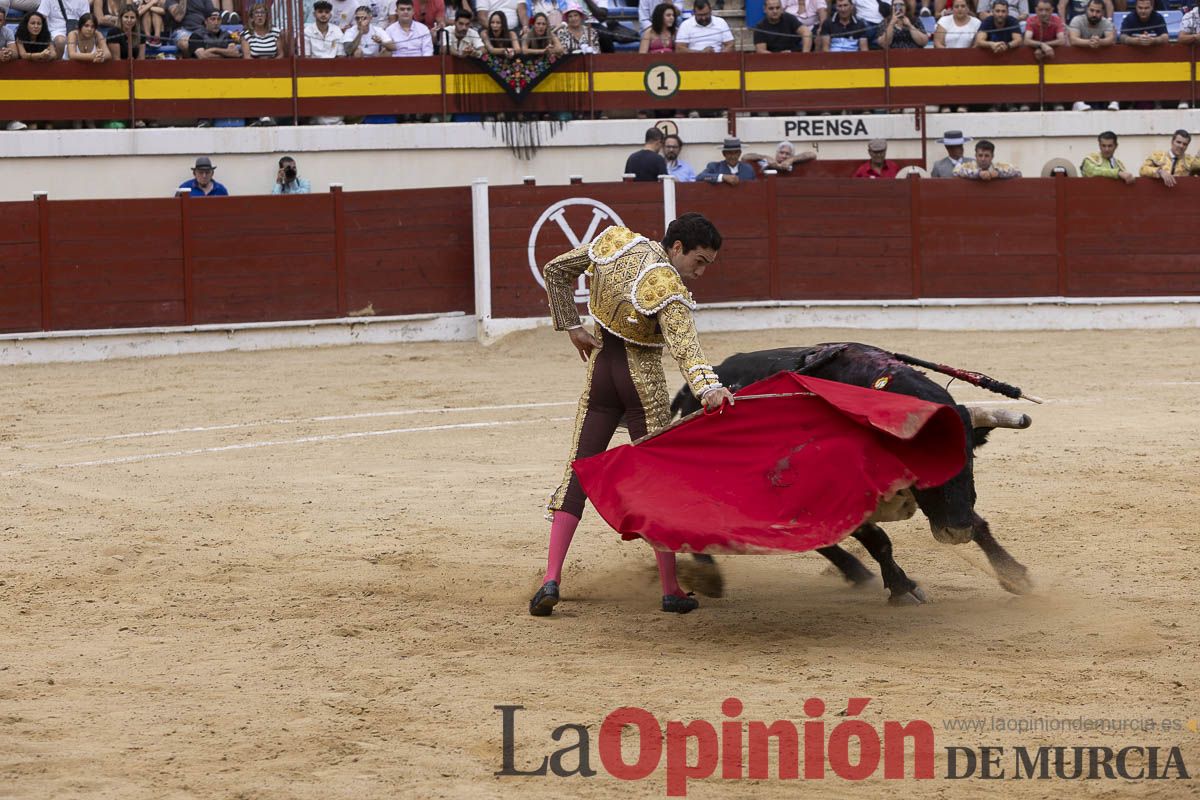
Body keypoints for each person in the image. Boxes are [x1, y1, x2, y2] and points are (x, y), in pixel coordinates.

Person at [530, 213, 734, 617]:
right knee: (658, 483)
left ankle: (550, 579)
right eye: (700, 260)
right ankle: (671, 589)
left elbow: (555, 271)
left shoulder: (615, 242)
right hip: (642, 384)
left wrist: (571, 326)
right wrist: (709, 389)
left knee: (577, 473)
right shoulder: (669, 289)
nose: (701, 271)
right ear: (677, 248)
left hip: (601, 373)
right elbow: (686, 350)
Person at [953, 139, 1022, 179]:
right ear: (975, 156)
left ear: (992, 156)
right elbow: (955, 171)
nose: (983, 159)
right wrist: (978, 173)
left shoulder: (998, 167)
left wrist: (998, 173)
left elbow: (1018, 172)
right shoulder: (968, 166)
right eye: (980, 155)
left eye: (986, 156)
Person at [742, 139, 817, 175]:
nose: (784, 156)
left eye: (787, 154)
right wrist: (765, 157)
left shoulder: (795, 162)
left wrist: (792, 160)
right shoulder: (766, 162)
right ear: (776, 153)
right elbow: (745, 157)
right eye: (781, 153)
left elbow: (812, 155)